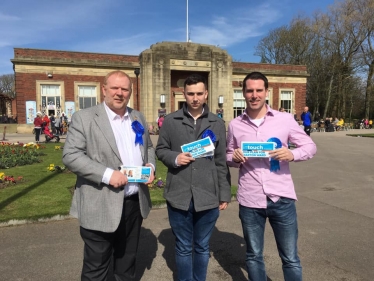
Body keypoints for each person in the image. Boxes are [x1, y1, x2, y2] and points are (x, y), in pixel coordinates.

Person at [62, 70, 156, 281]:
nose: (119, 93)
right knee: (97, 269)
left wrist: (150, 165)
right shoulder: (84, 118)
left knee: (126, 264)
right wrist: (106, 174)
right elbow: (70, 155)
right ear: (104, 89)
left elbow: (148, 147)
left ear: (130, 92)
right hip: (100, 204)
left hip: (133, 204)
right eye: (115, 88)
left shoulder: (137, 116)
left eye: (125, 89)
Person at [226, 71, 317, 281]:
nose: (254, 95)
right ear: (243, 93)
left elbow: (310, 146)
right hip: (250, 200)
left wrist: (292, 154)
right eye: (250, 90)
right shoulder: (234, 124)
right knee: (254, 256)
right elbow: (228, 155)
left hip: (281, 198)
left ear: (266, 92)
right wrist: (235, 157)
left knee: (290, 257)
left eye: (259, 90)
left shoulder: (285, 120)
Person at [156, 74, 231, 281]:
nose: (195, 98)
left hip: (207, 194)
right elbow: (160, 149)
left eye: (199, 93)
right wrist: (175, 157)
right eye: (191, 94)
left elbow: (221, 161)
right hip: (179, 194)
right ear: (184, 94)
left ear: (206, 94)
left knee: (202, 246)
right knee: (182, 247)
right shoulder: (171, 121)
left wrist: (224, 193)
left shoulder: (216, 123)